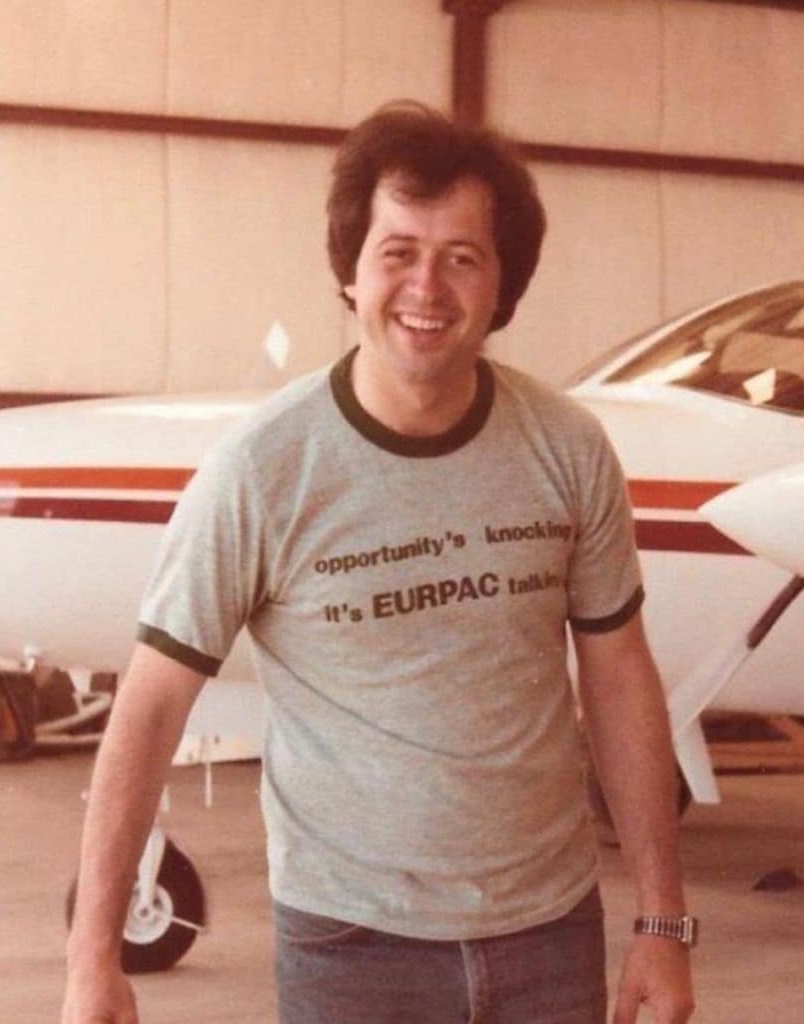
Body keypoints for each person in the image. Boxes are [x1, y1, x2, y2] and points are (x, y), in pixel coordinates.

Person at [62, 101, 696, 1024]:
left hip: (551, 935)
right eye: (397, 252)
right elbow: (151, 708)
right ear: (351, 274)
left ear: (500, 284)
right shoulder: (262, 471)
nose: (426, 288)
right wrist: (92, 958)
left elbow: (619, 677)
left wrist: (662, 921)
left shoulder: (568, 449)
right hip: (350, 949)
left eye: (461, 256)